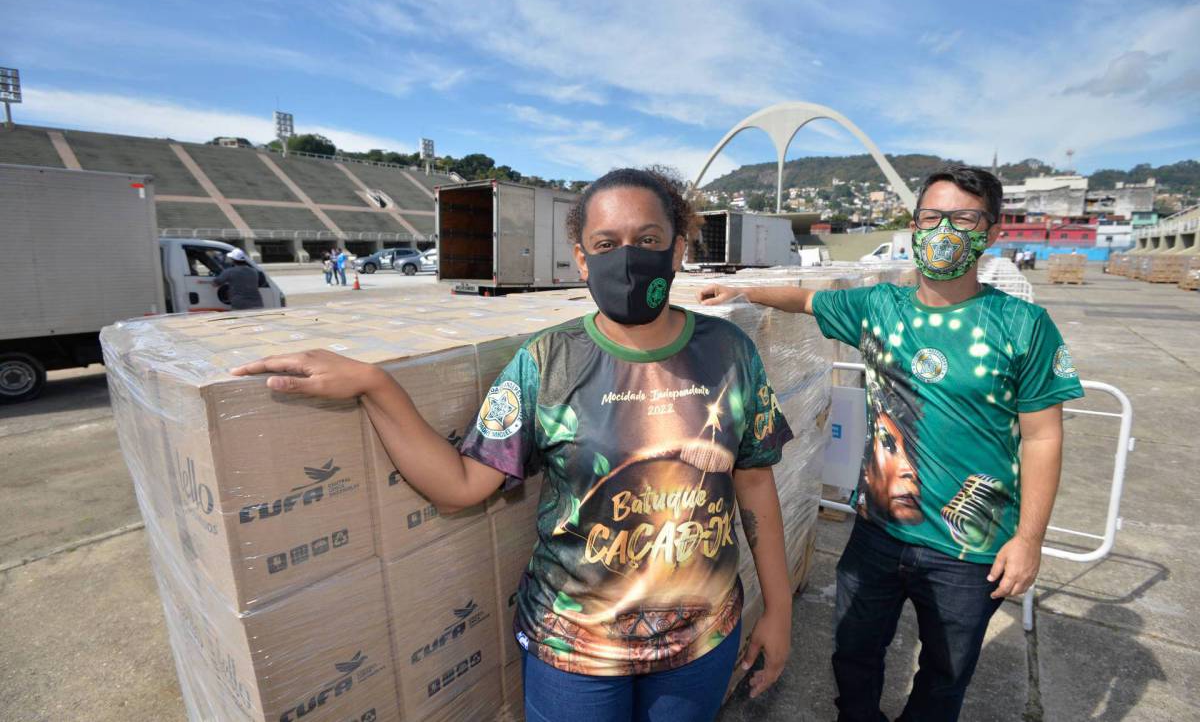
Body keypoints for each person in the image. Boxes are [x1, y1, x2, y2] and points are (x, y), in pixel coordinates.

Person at [232, 168, 795, 722]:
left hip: (701, 642)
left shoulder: (729, 352)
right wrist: (376, 387)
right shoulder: (546, 362)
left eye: (648, 240)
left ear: (677, 250)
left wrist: (780, 609)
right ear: (581, 258)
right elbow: (460, 487)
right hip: (574, 651)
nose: (628, 256)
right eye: (607, 243)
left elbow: (753, 481)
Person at [698, 164, 1083, 722]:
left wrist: (1029, 539)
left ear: (993, 232)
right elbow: (805, 301)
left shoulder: (1023, 325)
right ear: (913, 224)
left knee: (945, 677)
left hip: (969, 549)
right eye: (932, 217)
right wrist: (741, 290)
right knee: (853, 653)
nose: (944, 231)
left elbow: (1043, 436)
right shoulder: (881, 308)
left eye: (963, 219)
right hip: (877, 533)